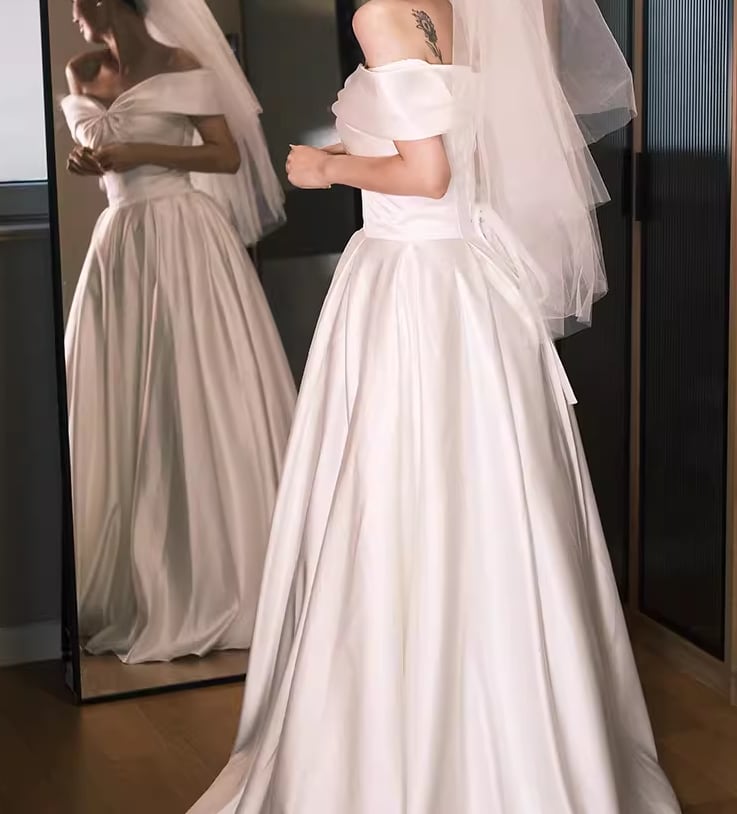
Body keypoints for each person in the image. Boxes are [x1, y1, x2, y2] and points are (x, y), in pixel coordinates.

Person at [189, 0, 682, 810]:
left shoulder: (384, 14)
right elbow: (459, 146)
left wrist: (325, 170)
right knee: (488, 499)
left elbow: (427, 176)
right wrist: (353, 151)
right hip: (473, 285)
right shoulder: (481, 13)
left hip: (410, 286)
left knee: (400, 496)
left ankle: (400, 738)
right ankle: (521, 737)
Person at [62, 0, 296, 664]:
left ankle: (216, 572)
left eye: (78, 0)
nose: (72, 12)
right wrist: (91, 161)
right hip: (119, 241)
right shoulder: (83, 70)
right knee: (120, 395)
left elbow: (225, 157)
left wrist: (138, 150)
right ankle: (132, 580)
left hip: (181, 234)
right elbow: (98, 152)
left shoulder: (180, 62)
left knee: (191, 388)